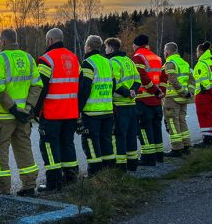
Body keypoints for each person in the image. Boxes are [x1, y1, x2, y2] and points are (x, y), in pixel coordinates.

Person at [0, 29, 43, 197]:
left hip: (4, 116)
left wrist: (12, 109)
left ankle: (2, 190)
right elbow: (37, 85)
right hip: (24, 115)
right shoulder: (28, 58)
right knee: (24, 148)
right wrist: (27, 108)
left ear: (3, 42)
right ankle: (29, 185)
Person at [34, 28, 80, 191]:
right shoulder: (74, 58)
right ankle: (72, 177)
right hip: (71, 112)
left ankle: (53, 183)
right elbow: (79, 85)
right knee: (67, 143)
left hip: (52, 112)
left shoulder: (46, 59)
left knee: (49, 145)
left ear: (49, 41)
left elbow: (41, 87)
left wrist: (35, 110)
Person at [78, 35, 116, 175]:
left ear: (88, 47)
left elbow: (85, 89)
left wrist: (78, 109)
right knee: (106, 141)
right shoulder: (108, 62)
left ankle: (95, 173)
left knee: (91, 143)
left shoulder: (88, 63)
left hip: (91, 112)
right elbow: (114, 85)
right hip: (107, 110)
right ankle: (109, 170)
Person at [105, 37, 142, 171]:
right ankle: (133, 164)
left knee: (119, 135)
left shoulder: (112, 62)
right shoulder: (129, 61)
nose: (105, 50)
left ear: (110, 48)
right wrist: (133, 91)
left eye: (106, 47)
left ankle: (120, 166)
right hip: (131, 105)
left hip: (119, 105)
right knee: (131, 135)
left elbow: (114, 83)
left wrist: (126, 93)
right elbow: (138, 80)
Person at [132, 34, 165, 166]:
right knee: (156, 128)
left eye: (133, 44)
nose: (132, 47)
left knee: (144, 129)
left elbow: (142, 77)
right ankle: (159, 156)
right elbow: (163, 78)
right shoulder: (156, 57)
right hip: (156, 100)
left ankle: (148, 158)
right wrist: (161, 92)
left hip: (143, 100)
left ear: (137, 44)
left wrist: (155, 90)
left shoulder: (137, 57)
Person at [162, 42, 193, 156]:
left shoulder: (170, 63)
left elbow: (172, 80)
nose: (164, 52)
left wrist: (183, 92)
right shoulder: (184, 63)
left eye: (164, 50)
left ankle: (176, 148)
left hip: (172, 98)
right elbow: (192, 80)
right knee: (182, 121)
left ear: (168, 51)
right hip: (183, 99)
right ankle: (186, 146)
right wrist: (189, 93)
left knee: (172, 122)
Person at [193, 41, 212, 145]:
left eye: (197, 51)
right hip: (210, 93)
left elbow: (203, 80)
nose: (196, 53)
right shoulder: (211, 62)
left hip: (203, 93)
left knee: (202, 115)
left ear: (201, 51)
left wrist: (211, 91)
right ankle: (210, 137)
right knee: (208, 115)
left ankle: (206, 140)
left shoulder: (201, 64)